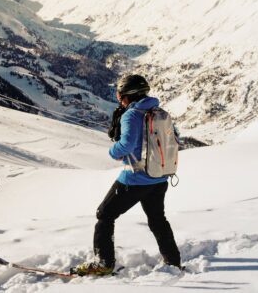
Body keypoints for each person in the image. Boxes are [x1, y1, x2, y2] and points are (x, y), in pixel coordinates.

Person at [73, 74, 182, 276]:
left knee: (104, 215)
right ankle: (173, 261)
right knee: (158, 219)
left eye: (120, 95)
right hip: (159, 178)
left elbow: (126, 145)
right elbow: (176, 138)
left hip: (134, 179)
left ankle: (103, 263)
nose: (118, 99)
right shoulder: (159, 112)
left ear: (127, 96)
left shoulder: (131, 115)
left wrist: (113, 151)